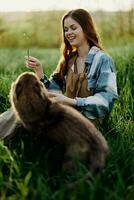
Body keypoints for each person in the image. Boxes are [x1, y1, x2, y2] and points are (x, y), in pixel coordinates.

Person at [25, 8, 118, 124]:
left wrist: (72, 102)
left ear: (86, 28)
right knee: (23, 113)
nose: (68, 33)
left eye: (73, 28)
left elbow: (106, 100)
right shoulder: (69, 60)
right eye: (66, 29)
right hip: (67, 117)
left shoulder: (102, 60)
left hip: (89, 125)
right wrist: (39, 71)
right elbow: (53, 91)